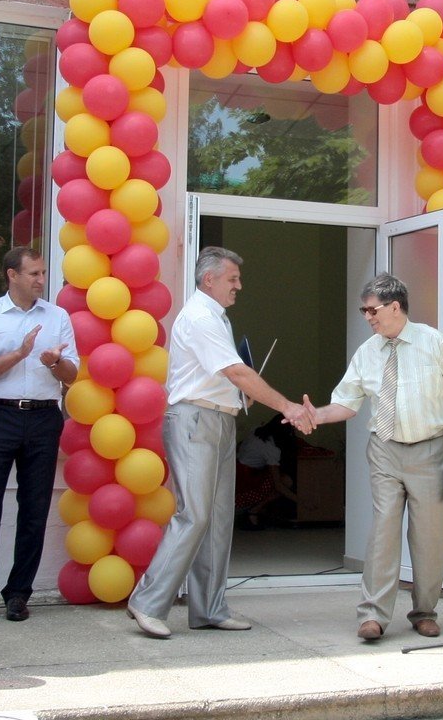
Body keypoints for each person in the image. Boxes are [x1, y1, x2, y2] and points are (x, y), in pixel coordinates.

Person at [126, 246, 314, 639]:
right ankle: (147, 601)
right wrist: (285, 406)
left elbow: (225, 376)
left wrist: (240, 397)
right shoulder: (199, 316)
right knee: (194, 514)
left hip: (220, 419)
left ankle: (210, 608)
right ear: (208, 279)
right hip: (195, 419)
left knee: (217, 518)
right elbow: (234, 370)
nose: (239, 286)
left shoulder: (215, 317)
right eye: (233, 279)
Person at [304, 273, 443, 642]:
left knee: (430, 537)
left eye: (371, 309)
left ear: (394, 306)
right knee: (383, 531)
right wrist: (317, 415)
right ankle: (373, 615)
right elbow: (347, 402)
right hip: (385, 449)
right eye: (364, 311)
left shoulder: (432, 341)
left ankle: (424, 611)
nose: (367, 317)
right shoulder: (367, 351)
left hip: (430, 449)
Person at [0, 246, 78, 627]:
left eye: (43, 273)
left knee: (34, 509)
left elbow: (72, 375)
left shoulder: (57, 316)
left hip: (44, 417)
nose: (41, 280)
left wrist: (54, 361)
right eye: (34, 274)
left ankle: (18, 594)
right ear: (12, 275)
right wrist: (20, 354)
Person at [235, 414, 300, 530]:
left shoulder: (256, 430)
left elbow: (240, 447)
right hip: (246, 482)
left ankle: (257, 511)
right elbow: (279, 485)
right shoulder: (271, 449)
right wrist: (302, 501)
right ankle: (254, 511)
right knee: (286, 481)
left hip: (235, 473)